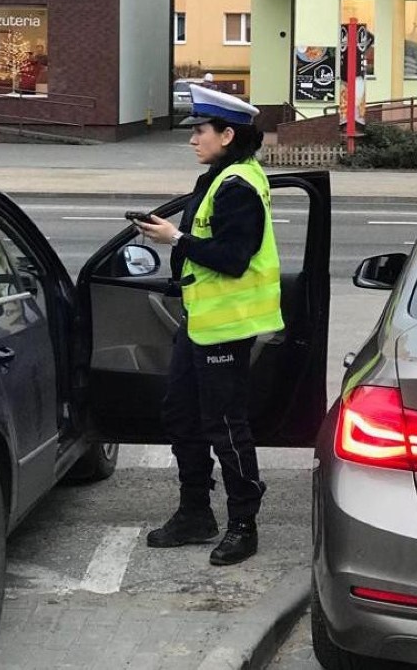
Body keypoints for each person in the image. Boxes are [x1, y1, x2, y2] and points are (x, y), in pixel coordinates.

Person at [133, 85, 282, 566]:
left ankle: (244, 524)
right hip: (200, 323)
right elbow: (204, 244)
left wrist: (173, 236)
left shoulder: (238, 185)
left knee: (225, 426)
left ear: (227, 133)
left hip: (227, 327)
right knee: (181, 415)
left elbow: (234, 260)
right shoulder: (219, 177)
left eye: (200, 131)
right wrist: (174, 236)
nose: (193, 140)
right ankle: (195, 512)